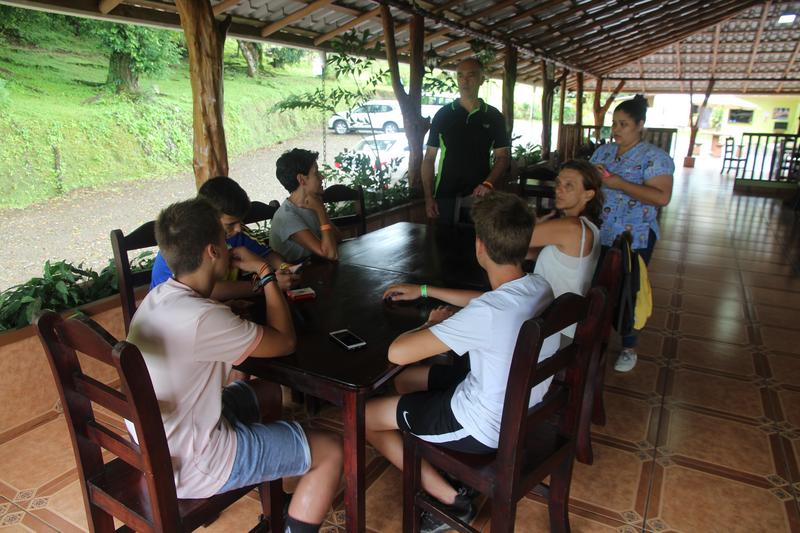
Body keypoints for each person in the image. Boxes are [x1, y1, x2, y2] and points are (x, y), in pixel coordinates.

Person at [127, 198, 343, 533]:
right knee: (330, 451)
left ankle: (273, 494)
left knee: (268, 391)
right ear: (213, 252)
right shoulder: (203, 317)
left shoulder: (156, 298)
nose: (231, 248)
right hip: (194, 462)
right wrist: (264, 273)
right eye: (226, 242)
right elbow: (285, 341)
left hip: (158, 440)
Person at [366, 192, 559, 533]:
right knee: (406, 381)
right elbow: (488, 300)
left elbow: (397, 352)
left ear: (479, 245)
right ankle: (439, 458)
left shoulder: (487, 315)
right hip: (520, 407)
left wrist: (430, 325)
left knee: (364, 417)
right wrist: (425, 290)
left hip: (480, 425)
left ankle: (452, 498)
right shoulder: (539, 286)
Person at [590, 94, 674, 372]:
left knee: (630, 287)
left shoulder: (655, 158)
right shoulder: (603, 153)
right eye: (614, 124)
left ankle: (628, 346)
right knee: (597, 284)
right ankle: (594, 337)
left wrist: (620, 183)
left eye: (623, 124)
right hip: (602, 231)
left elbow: (661, 197)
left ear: (640, 124)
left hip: (635, 235)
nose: (616, 130)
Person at [150, 176, 299, 296]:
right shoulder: (183, 244)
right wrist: (266, 284)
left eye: (240, 221)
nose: (239, 229)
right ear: (208, 219)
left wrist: (285, 268)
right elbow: (207, 290)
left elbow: (268, 255)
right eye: (231, 224)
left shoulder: (236, 234)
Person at [422, 58, 510, 224]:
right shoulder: (443, 115)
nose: (465, 81)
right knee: (443, 246)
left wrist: (488, 184)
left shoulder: (494, 116)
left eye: (471, 76)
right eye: (460, 76)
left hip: (480, 197)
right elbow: (429, 158)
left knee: (477, 248)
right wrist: (428, 197)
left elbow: (503, 157)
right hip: (445, 195)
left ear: (482, 80)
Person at [528, 160, 604, 337]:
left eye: (568, 185)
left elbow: (506, 239)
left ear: (588, 194)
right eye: (558, 183)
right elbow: (529, 251)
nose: (558, 190)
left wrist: (531, 226)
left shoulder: (572, 227)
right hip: (563, 319)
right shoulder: (587, 226)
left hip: (556, 328)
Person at [270, 148, 341, 263]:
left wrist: (319, 209)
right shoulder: (286, 217)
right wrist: (321, 211)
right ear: (301, 180)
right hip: (299, 278)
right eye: (316, 173)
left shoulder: (311, 205)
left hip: (319, 272)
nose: (322, 177)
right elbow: (330, 254)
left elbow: (337, 238)